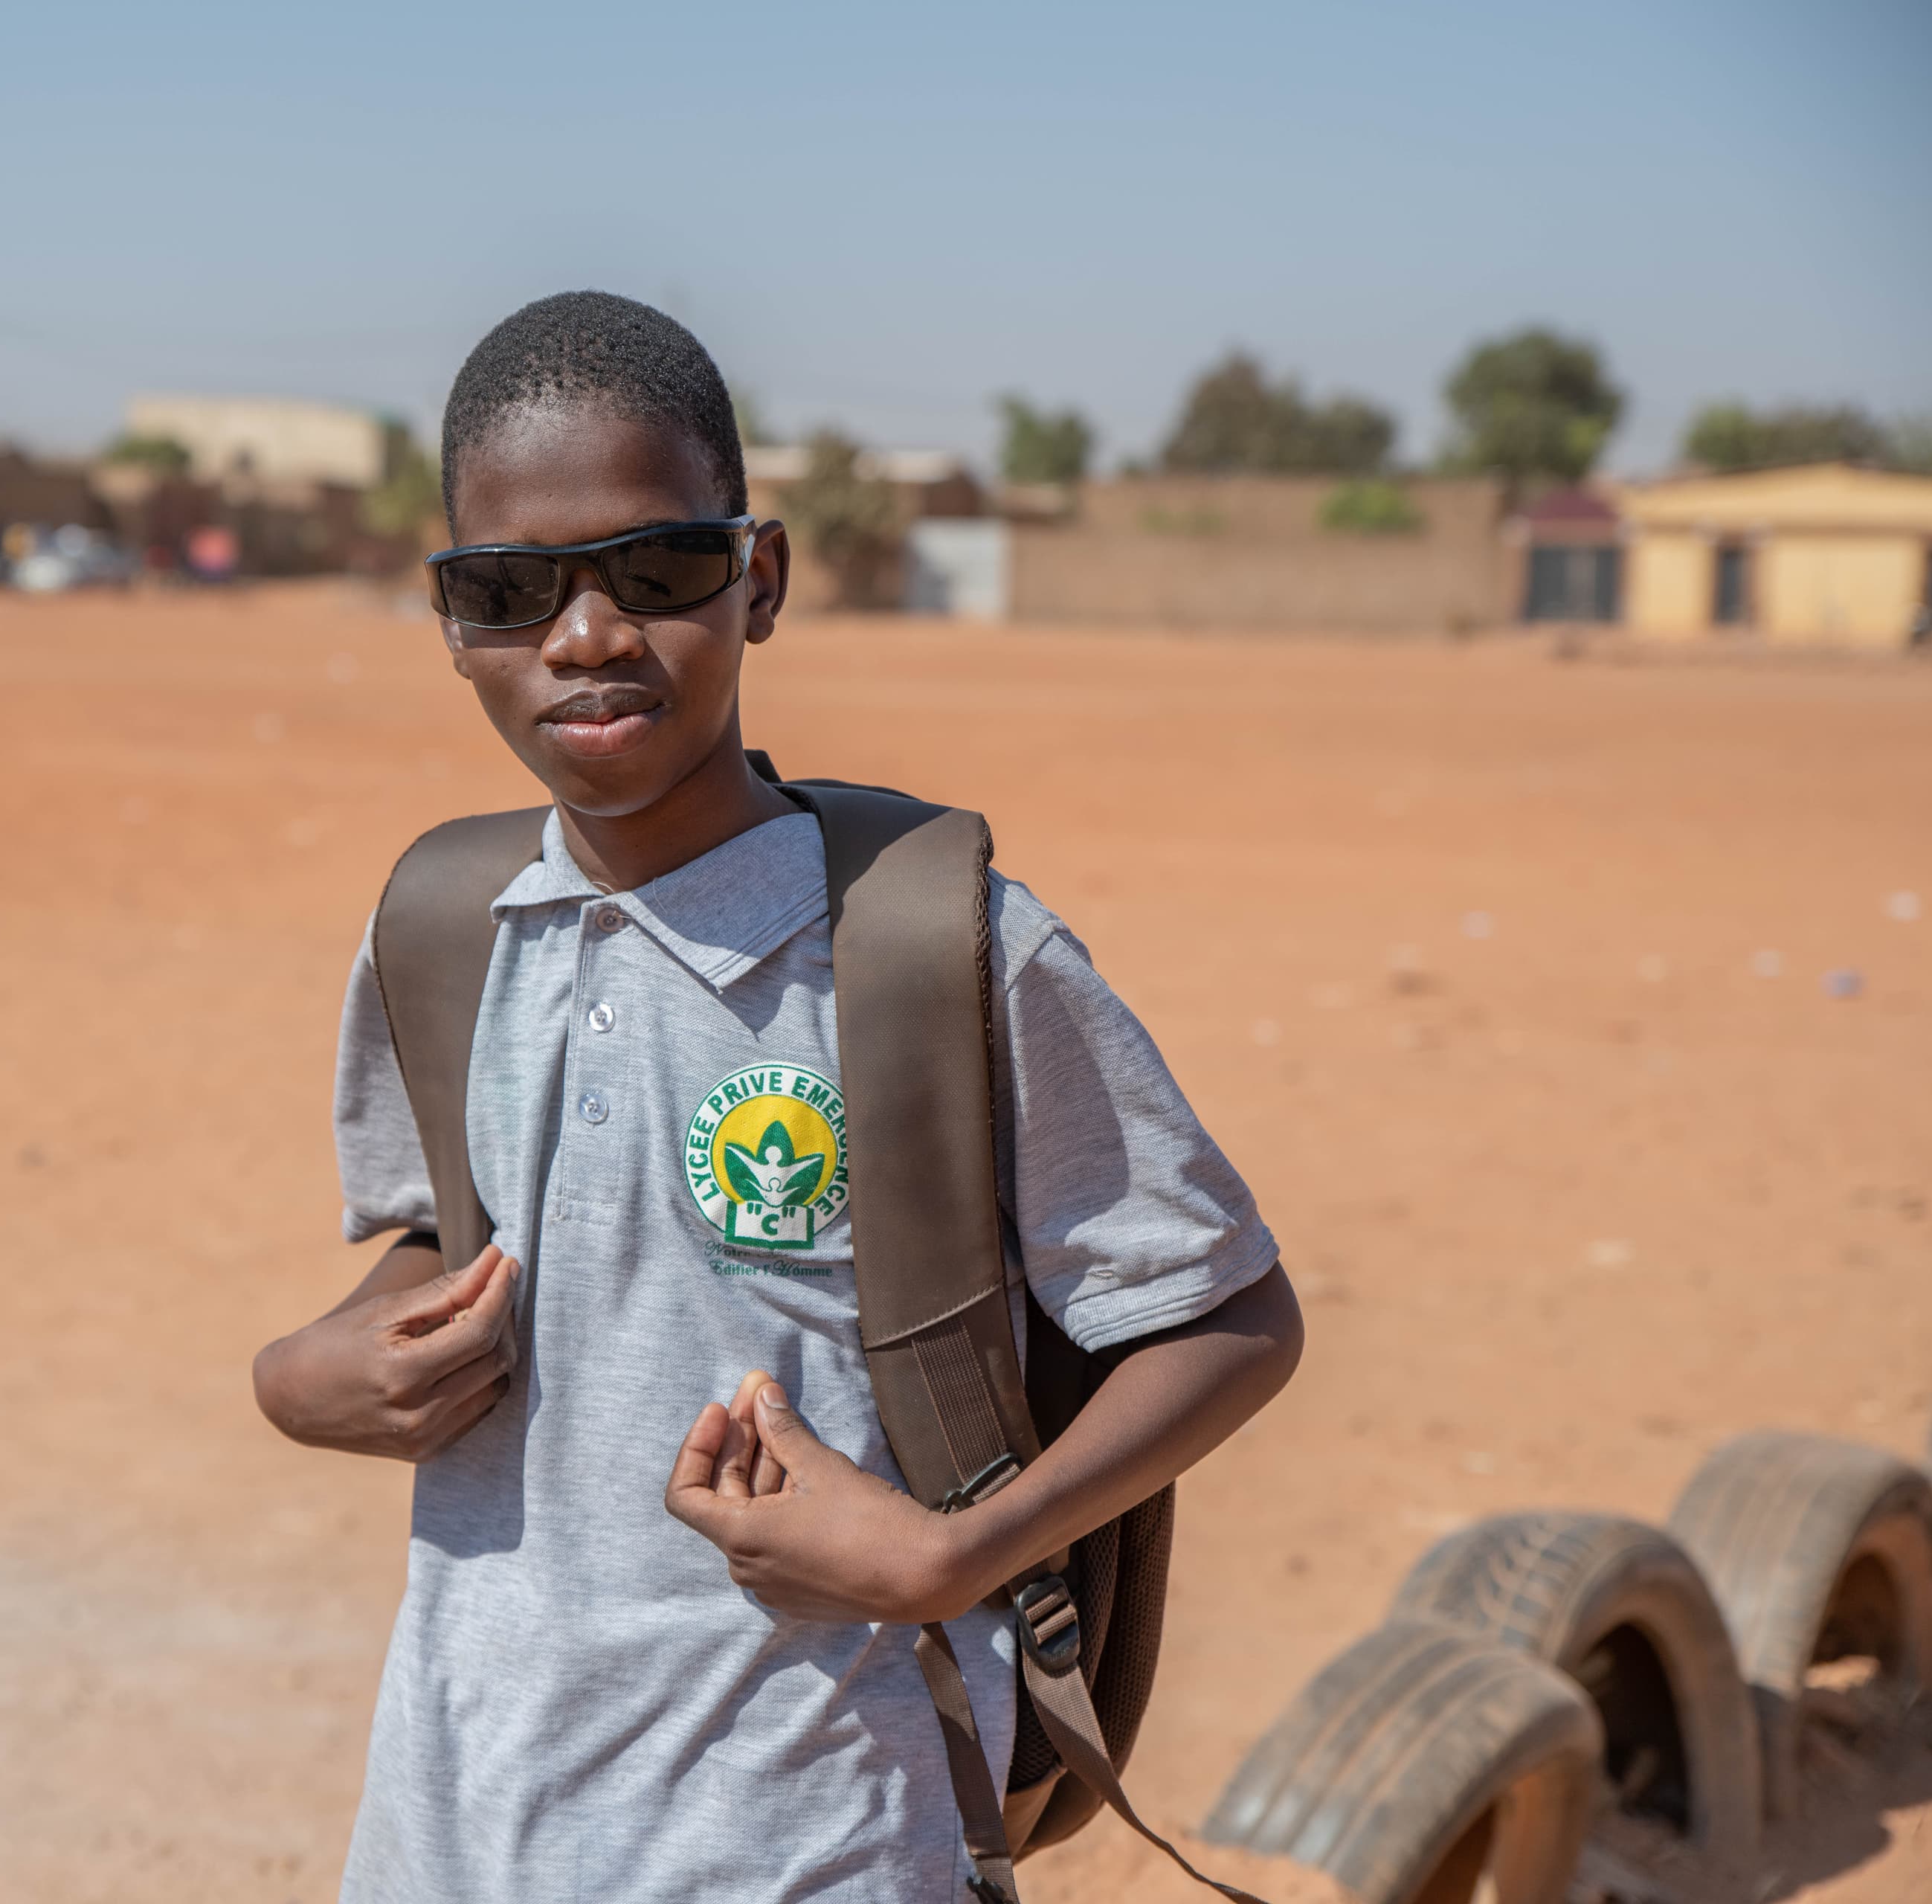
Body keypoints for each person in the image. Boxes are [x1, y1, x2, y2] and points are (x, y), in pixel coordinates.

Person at [252, 291, 1304, 1902]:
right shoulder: (451, 935)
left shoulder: (935, 960)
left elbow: (1230, 1319)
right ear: (451, 618)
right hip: (456, 1822)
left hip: (815, 1828)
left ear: (762, 579)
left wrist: (953, 1553)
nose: (588, 633)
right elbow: (450, 1242)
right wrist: (308, 1372)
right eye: (511, 589)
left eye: (657, 568)